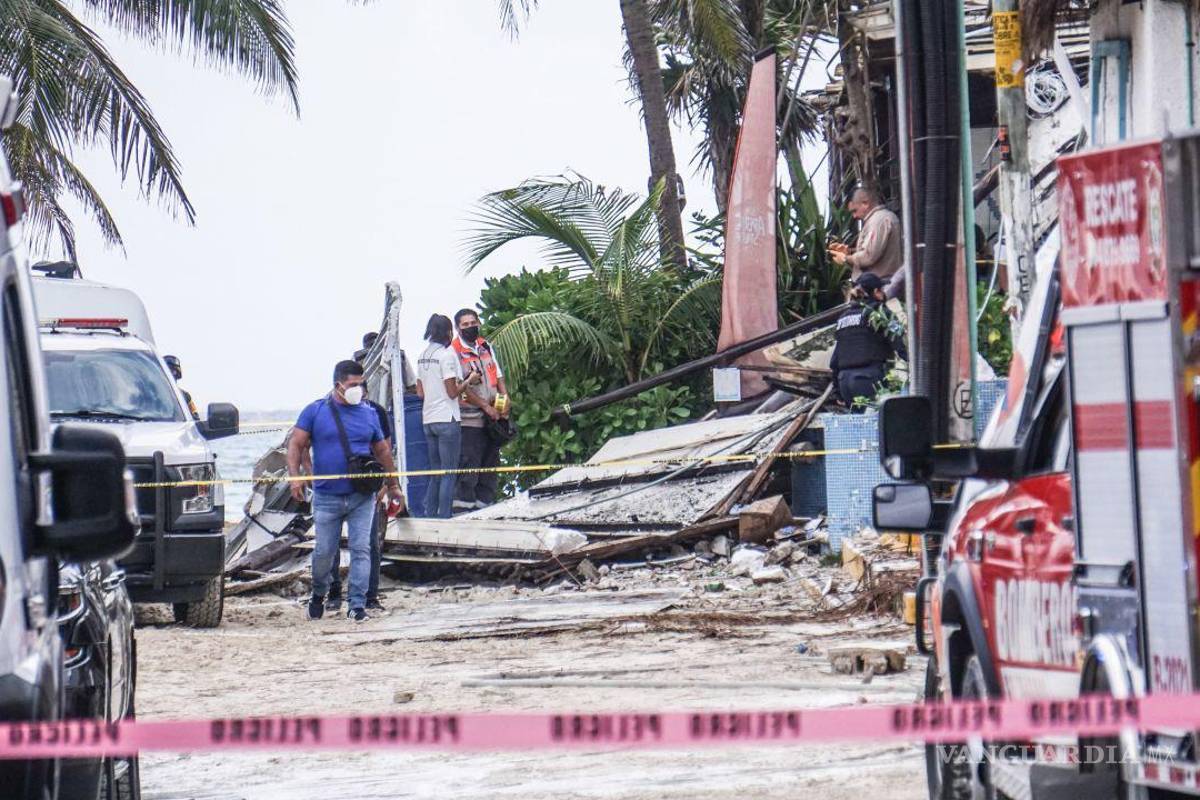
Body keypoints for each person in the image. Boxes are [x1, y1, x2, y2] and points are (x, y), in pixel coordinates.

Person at [287, 360, 404, 622]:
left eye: (361, 384)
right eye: (353, 385)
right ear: (338, 385)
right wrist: (296, 478)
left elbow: (382, 451)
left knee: (362, 548)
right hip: (327, 496)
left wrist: (393, 484)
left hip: (362, 496)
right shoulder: (315, 411)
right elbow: (295, 445)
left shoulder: (369, 413)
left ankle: (357, 605)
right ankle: (318, 594)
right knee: (324, 552)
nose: (359, 389)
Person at [325, 383, 393, 613]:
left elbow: (385, 450)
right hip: (334, 487)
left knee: (368, 544)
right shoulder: (326, 412)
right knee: (330, 544)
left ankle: (369, 596)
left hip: (366, 486)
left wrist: (386, 483)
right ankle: (333, 592)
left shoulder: (375, 412)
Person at [416, 314, 479, 518]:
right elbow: (453, 392)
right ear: (448, 331)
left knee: (435, 473)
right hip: (447, 419)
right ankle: (444, 517)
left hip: (428, 419)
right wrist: (469, 379)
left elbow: (420, 392)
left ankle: (430, 515)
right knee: (449, 472)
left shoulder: (423, 355)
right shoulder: (447, 354)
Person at [451, 308, 510, 511]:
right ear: (457, 328)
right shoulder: (454, 352)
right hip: (470, 420)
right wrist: (484, 406)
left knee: (490, 466)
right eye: (465, 325)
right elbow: (460, 390)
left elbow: (498, 377)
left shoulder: (486, 346)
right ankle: (463, 511)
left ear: (478, 323)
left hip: (493, 417)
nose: (470, 327)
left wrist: (504, 400)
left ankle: (484, 508)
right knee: (469, 467)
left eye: (472, 323)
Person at [829, 273, 908, 409]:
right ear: (876, 292)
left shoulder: (843, 318)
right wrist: (914, 366)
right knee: (879, 424)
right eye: (881, 290)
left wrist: (838, 392)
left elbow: (835, 360)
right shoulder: (880, 312)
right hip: (868, 380)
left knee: (858, 426)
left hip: (845, 382)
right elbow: (899, 343)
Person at [828, 186, 903, 297]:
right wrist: (849, 251)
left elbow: (869, 256)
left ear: (865, 203)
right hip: (883, 286)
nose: (854, 216)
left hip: (879, 288)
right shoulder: (882, 218)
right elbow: (875, 250)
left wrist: (845, 258)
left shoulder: (878, 221)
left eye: (855, 211)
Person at [163, 354, 200, 420]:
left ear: (177, 374)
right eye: (167, 372)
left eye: (173, 371)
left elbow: (195, 416)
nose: (169, 375)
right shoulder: (151, 395)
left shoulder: (185, 396)